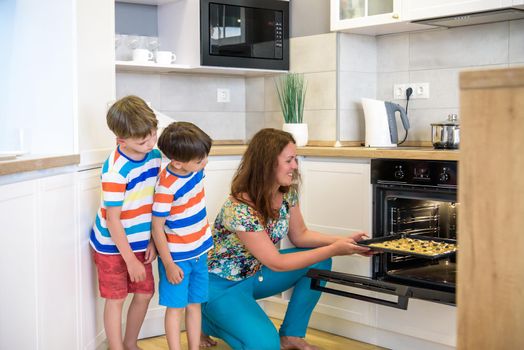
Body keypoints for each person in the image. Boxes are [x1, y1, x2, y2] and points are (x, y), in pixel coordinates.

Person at [200, 128, 371, 350]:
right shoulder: (239, 208)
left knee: (319, 263)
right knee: (266, 346)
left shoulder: (287, 193)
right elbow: (277, 262)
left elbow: (301, 236)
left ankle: (291, 335)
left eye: (295, 159)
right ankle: (207, 319)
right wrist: (334, 249)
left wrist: (346, 242)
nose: (295, 166)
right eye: (289, 160)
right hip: (221, 286)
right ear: (267, 163)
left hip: (255, 275)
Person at [89, 95, 161, 350]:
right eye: (143, 140)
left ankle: (131, 344)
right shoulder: (116, 171)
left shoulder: (154, 156)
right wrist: (130, 259)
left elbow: (153, 202)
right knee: (115, 298)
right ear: (121, 140)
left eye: (153, 135)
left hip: (139, 239)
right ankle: (116, 347)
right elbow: (113, 220)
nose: (151, 143)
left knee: (144, 293)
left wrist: (152, 239)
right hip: (111, 244)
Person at [152, 122, 214, 350]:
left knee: (195, 304)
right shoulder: (166, 187)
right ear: (177, 162)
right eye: (200, 160)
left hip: (200, 253)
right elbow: (157, 227)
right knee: (175, 307)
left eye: (205, 156)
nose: (205, 162)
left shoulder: (195, 169)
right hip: (177, 258)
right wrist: (168, 264)